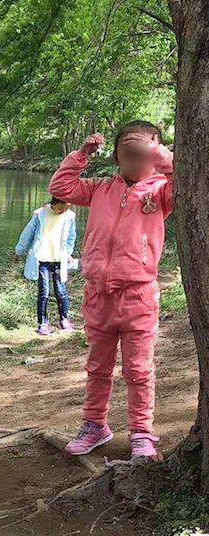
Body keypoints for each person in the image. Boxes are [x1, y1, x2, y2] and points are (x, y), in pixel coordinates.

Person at [49, 122, 173, 461]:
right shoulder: (100, 188)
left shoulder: (161, 191)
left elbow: (183, 182)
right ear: (117, 157)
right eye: (128, 154)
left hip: (138, 295)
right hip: (98, 295)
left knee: (138, 369)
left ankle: (142, 433)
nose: (136, 161)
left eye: (144, 154)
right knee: (98, 367)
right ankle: (94, 425)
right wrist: (81, 155)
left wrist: (157, 152)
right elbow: (60, 186)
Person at [13, 197, 77, 335]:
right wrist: (18, 251)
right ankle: (42, 322)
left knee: (61, 291)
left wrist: (68, 253)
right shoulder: (40, 215)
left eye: (66, 208)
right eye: (60, 208)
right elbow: (27, 234)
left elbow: (71, 237)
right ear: (53, 204)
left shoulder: (69, 217)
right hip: (42, 259)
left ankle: (64, 320)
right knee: (44, 292)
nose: (63, 211)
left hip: (59, 260)